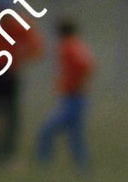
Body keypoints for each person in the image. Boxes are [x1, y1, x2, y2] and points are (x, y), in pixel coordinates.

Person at [0, 1, 44, 168]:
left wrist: (21, 57)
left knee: (10, 114)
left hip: (10, 73)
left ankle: (6, 153)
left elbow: (36, 47)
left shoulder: (19, 25)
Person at [37, 17, 95, 170]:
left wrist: (75, 83)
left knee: (46, 131)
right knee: (75, 136)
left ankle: (43, 165)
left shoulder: (67, 47)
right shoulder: (76, 44)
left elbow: (84, 65)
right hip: (75, 97)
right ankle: (82, 168)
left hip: (73, 97)